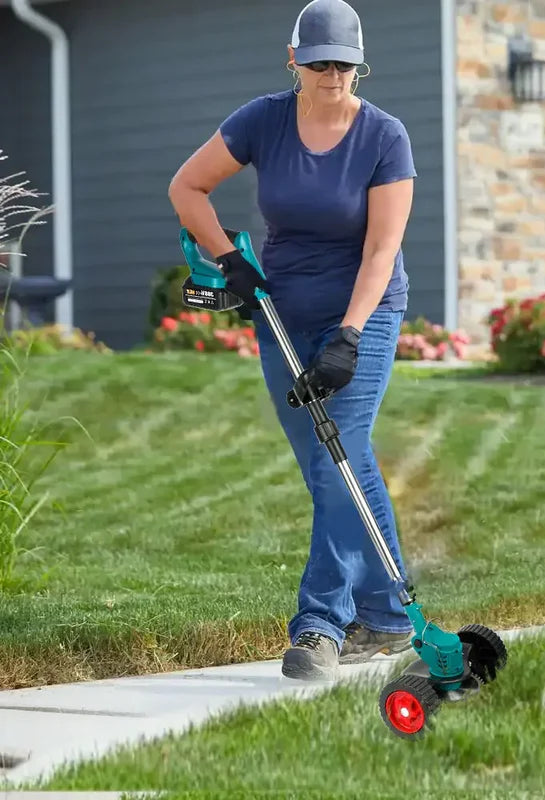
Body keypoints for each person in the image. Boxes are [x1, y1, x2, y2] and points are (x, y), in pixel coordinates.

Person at [167, 0, 418, 681]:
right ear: (294, 61)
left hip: (362, 312)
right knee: (329, 466)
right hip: (280, 311)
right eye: (319, 62)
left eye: (343, 63)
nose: (332, 74)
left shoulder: (385, 137)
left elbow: (380, 249)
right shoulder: (263, 120)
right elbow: (187, 187)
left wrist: (350, 335)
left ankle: (319, 626)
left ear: (359, 67)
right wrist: (232, 263)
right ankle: (392, 616)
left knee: (348, 448)